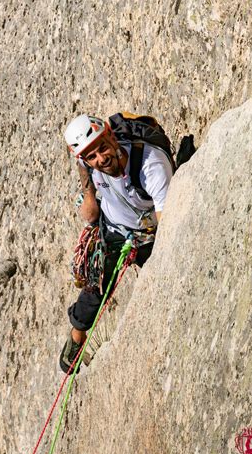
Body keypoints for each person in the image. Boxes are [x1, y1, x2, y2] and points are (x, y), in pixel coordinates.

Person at [60, 113, 174, 373]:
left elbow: (167, 222)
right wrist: (89, 197)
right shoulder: (89, 160)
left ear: (111, 136)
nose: (101, 159)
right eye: (92, 156)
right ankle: (76, 339)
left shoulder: (149, 166)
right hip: (113, 226)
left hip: (146, 237)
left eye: (102, 148)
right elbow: (83, 164)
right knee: (95, 284)